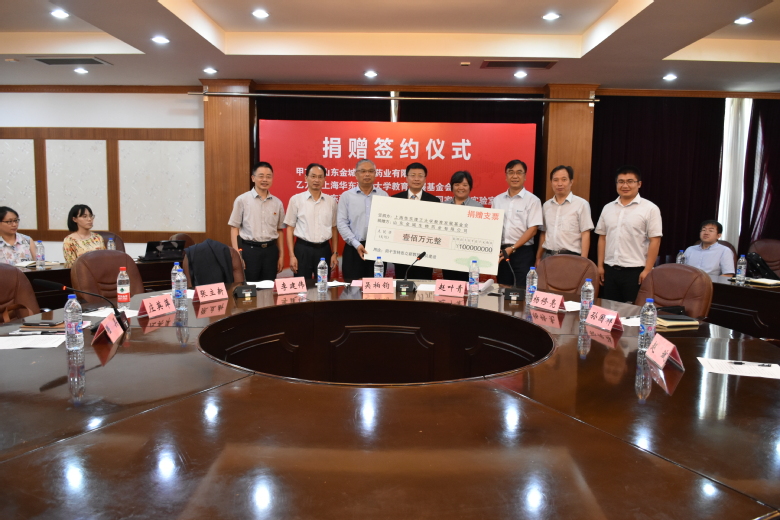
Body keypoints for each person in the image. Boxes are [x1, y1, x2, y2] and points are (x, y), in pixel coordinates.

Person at [595, 165, 663, 303]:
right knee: (609, 310)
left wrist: (647, 270)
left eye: (630, 181)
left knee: (633, 311)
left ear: (639, 184)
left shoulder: (650, 209)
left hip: (636, 272)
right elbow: (602, 238)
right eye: (621, 181)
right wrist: (600, 266)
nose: (625, 185)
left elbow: (655, 241)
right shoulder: (608, 208)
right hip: (610, 270)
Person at [228, 162, 285, 282]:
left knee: (269, 287)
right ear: (253, 178)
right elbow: (234, 228)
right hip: (249, 251)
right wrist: (238, 255)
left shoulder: (277, 203)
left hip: (270, 251)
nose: (265, 180)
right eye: (261, 176)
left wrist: (281, 255)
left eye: (268, 176)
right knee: (249, 287)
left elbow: (279, 230)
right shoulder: (242, 200)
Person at [492, 160, 543, 288]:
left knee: (522, 291)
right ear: (506, 176)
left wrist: (513, 248)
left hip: (523, 253)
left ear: (525, 176)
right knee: (503, 289)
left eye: (519, 172)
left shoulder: (533, 200)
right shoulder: (497, 200)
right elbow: (492, 226)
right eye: (511, 172)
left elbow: (533, 230)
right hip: (502, 251)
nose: (515, 176)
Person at [285, 163, 339, 281]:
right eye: (313, 176)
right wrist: (292, 255)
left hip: (324, 250)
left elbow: (334, 228)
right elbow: (290, 228)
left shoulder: (331, 202)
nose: (316, 180)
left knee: (323, 286)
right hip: (302, 250)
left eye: (320, 177)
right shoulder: (296, 200)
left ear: (324, 179)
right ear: (306, 178)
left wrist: (334, 253)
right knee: (302, 287)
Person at [337, 159, 388, 282]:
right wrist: (357, 244)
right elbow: (341, 223)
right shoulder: (346, 196)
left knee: (375, 287)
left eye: (371, 171)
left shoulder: (383, 196)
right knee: (352, 287)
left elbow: (388, 223)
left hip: (377, 250)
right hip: (353, 248)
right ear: (356, 174)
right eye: (363, 171)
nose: (367, 174)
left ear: (375, 174)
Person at [535, 165, 594, 265]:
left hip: (571, 258)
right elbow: (544, 233)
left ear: (571, 182)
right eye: (555, 180)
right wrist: (538, 257)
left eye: (564, 179)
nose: (559, 184)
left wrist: (583, 261)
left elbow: (585, 234)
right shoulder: (546, 206)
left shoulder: (581, 204)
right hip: (548, 257)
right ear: (551, 182)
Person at [392, 162, 440, 280]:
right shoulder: (395, 199)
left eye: (420, 175)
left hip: (424, 255)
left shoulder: (434, 201)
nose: (416, 179)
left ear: (425, 179)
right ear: (406, 178)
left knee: (422, 287)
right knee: (402, 287)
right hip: (401, 254)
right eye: (413, 175)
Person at [442, 171, 482, 281]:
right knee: (450, 286)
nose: (461, 188)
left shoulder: (478, 208)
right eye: (457, 184)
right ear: (452, 187)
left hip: (469, 259)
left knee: (469, 287)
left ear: (470, 187)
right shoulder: (443, 207)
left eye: (465, 185)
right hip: (447, 258)